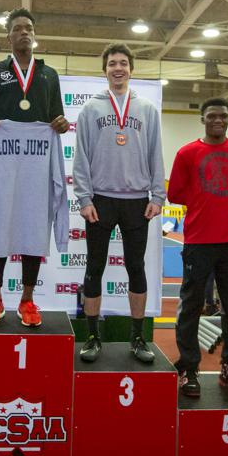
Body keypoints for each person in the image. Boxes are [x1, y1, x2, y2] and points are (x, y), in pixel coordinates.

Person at [0, 8, 69, 327]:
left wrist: (61, 123)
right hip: (3, 160)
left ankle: (27, 300)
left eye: (29, 27)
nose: (24, 32)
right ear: (8, 36)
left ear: (34, 34)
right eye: (18, 29)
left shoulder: (48, 74)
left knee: (33, 228)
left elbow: (58, 117)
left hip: (38, 164)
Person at [73, 43, 165, 363]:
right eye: (112, 63)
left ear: (131, 69)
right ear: (105, 69)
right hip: (100, 199)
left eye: (123, 63)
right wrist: (84, 198)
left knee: (135, 268)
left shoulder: (147, 109)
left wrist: (158, 195)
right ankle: (93, 337)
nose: (118, 68)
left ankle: (138, 337)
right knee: (94, 268)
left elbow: (156, 153)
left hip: (137, 200)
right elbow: (81, 156)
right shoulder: (91, 109)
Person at [169, 98, 228, 399]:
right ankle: (187, 368)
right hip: (198, 241)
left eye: (223, 116)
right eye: (212, 116)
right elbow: (174, 193)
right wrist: (200, 201)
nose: (218, 120)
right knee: (191, 305)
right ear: (202, 119)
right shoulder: (187, 152)